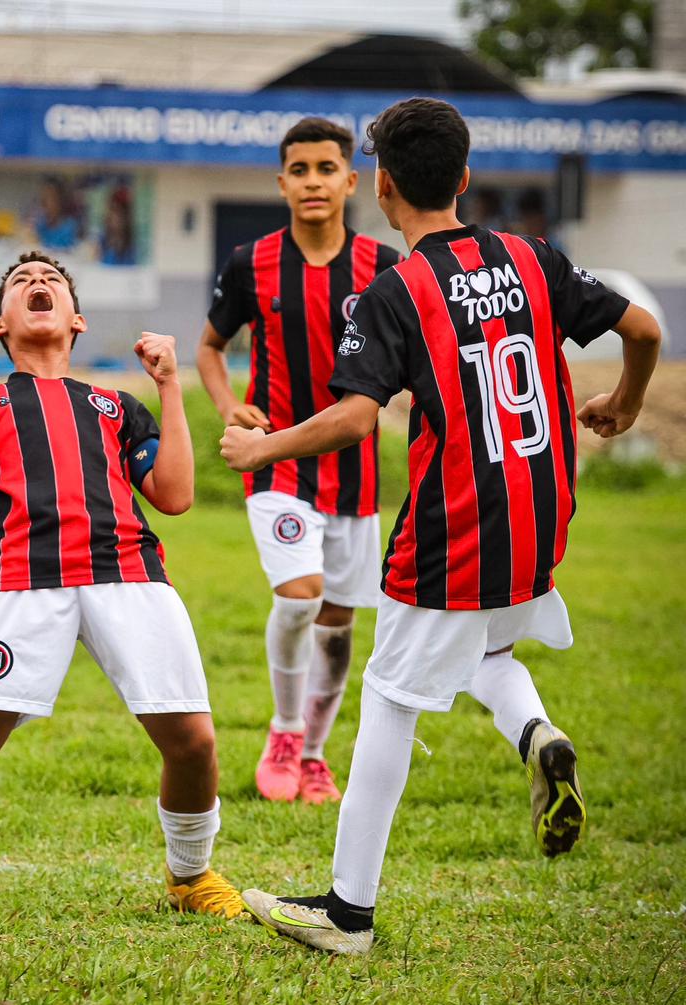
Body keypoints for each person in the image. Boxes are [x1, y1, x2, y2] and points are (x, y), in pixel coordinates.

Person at [221, 97, 660, 954]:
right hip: (542, 516)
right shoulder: (532, 257)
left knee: (388, 697)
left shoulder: (395, 290)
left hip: (455, 525)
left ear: (380, 187)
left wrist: (260, 446)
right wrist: (626, 401)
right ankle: (538, 734)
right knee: (487, 650)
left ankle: (348, 912)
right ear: (464, 180)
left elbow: (353, 419)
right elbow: (641, 328)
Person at [0, 251, 256, 921]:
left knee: (193, 741)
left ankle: (191, 877)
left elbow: (176, 493)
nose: (37, 285)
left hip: (128, 575)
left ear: (76, 320)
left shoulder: (115, 405)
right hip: (19, 580)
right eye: (21, 283)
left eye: (51, 282)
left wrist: (167, 385)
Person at [197, 117, 402, 806]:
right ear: (281, 183)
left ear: (351, 181)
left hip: (356, 472)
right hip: (275, 465)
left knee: (339, 624)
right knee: (300, 600)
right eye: (300, 170)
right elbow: (209, 347)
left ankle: (314, 756)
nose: (313, 181)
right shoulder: (250, 262)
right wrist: (229, 404)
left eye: (326, 169)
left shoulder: (385, 269)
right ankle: (284, 731)